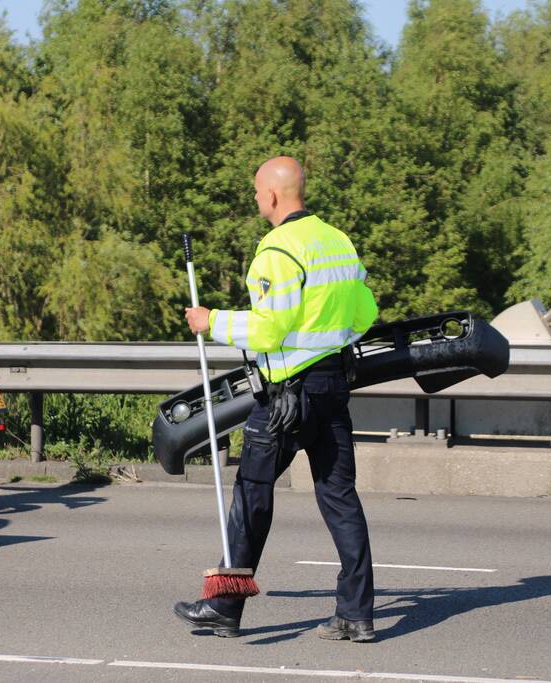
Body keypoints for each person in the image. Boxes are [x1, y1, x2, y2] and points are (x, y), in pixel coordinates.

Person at [174, 156, 379, 642]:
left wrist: (213, 321)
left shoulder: (276, 251)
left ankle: (223, 607)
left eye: (255, 192)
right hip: (333, 388)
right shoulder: (338, 242)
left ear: (271, 196)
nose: (255, 200)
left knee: (251, 495)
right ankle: (356, 614)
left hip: (286, 396)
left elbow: (268, 330)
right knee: (340, 498)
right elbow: (366, 312)